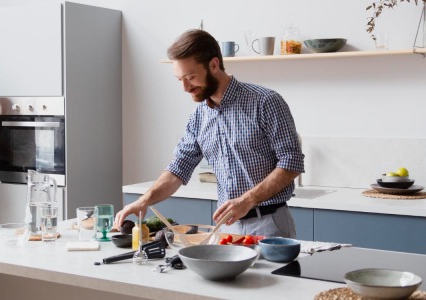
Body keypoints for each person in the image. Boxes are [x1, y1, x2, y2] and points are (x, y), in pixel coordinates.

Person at [115, 30, 305, 238]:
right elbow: (179, 167)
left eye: (190, 77)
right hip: (226, 227)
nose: (185, 88)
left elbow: (291, 162)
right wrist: (144, 200)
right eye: (180, 79)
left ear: (214, 65)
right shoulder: (198, 117)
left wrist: (247, 200)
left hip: (270, 224)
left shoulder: (265, 102)